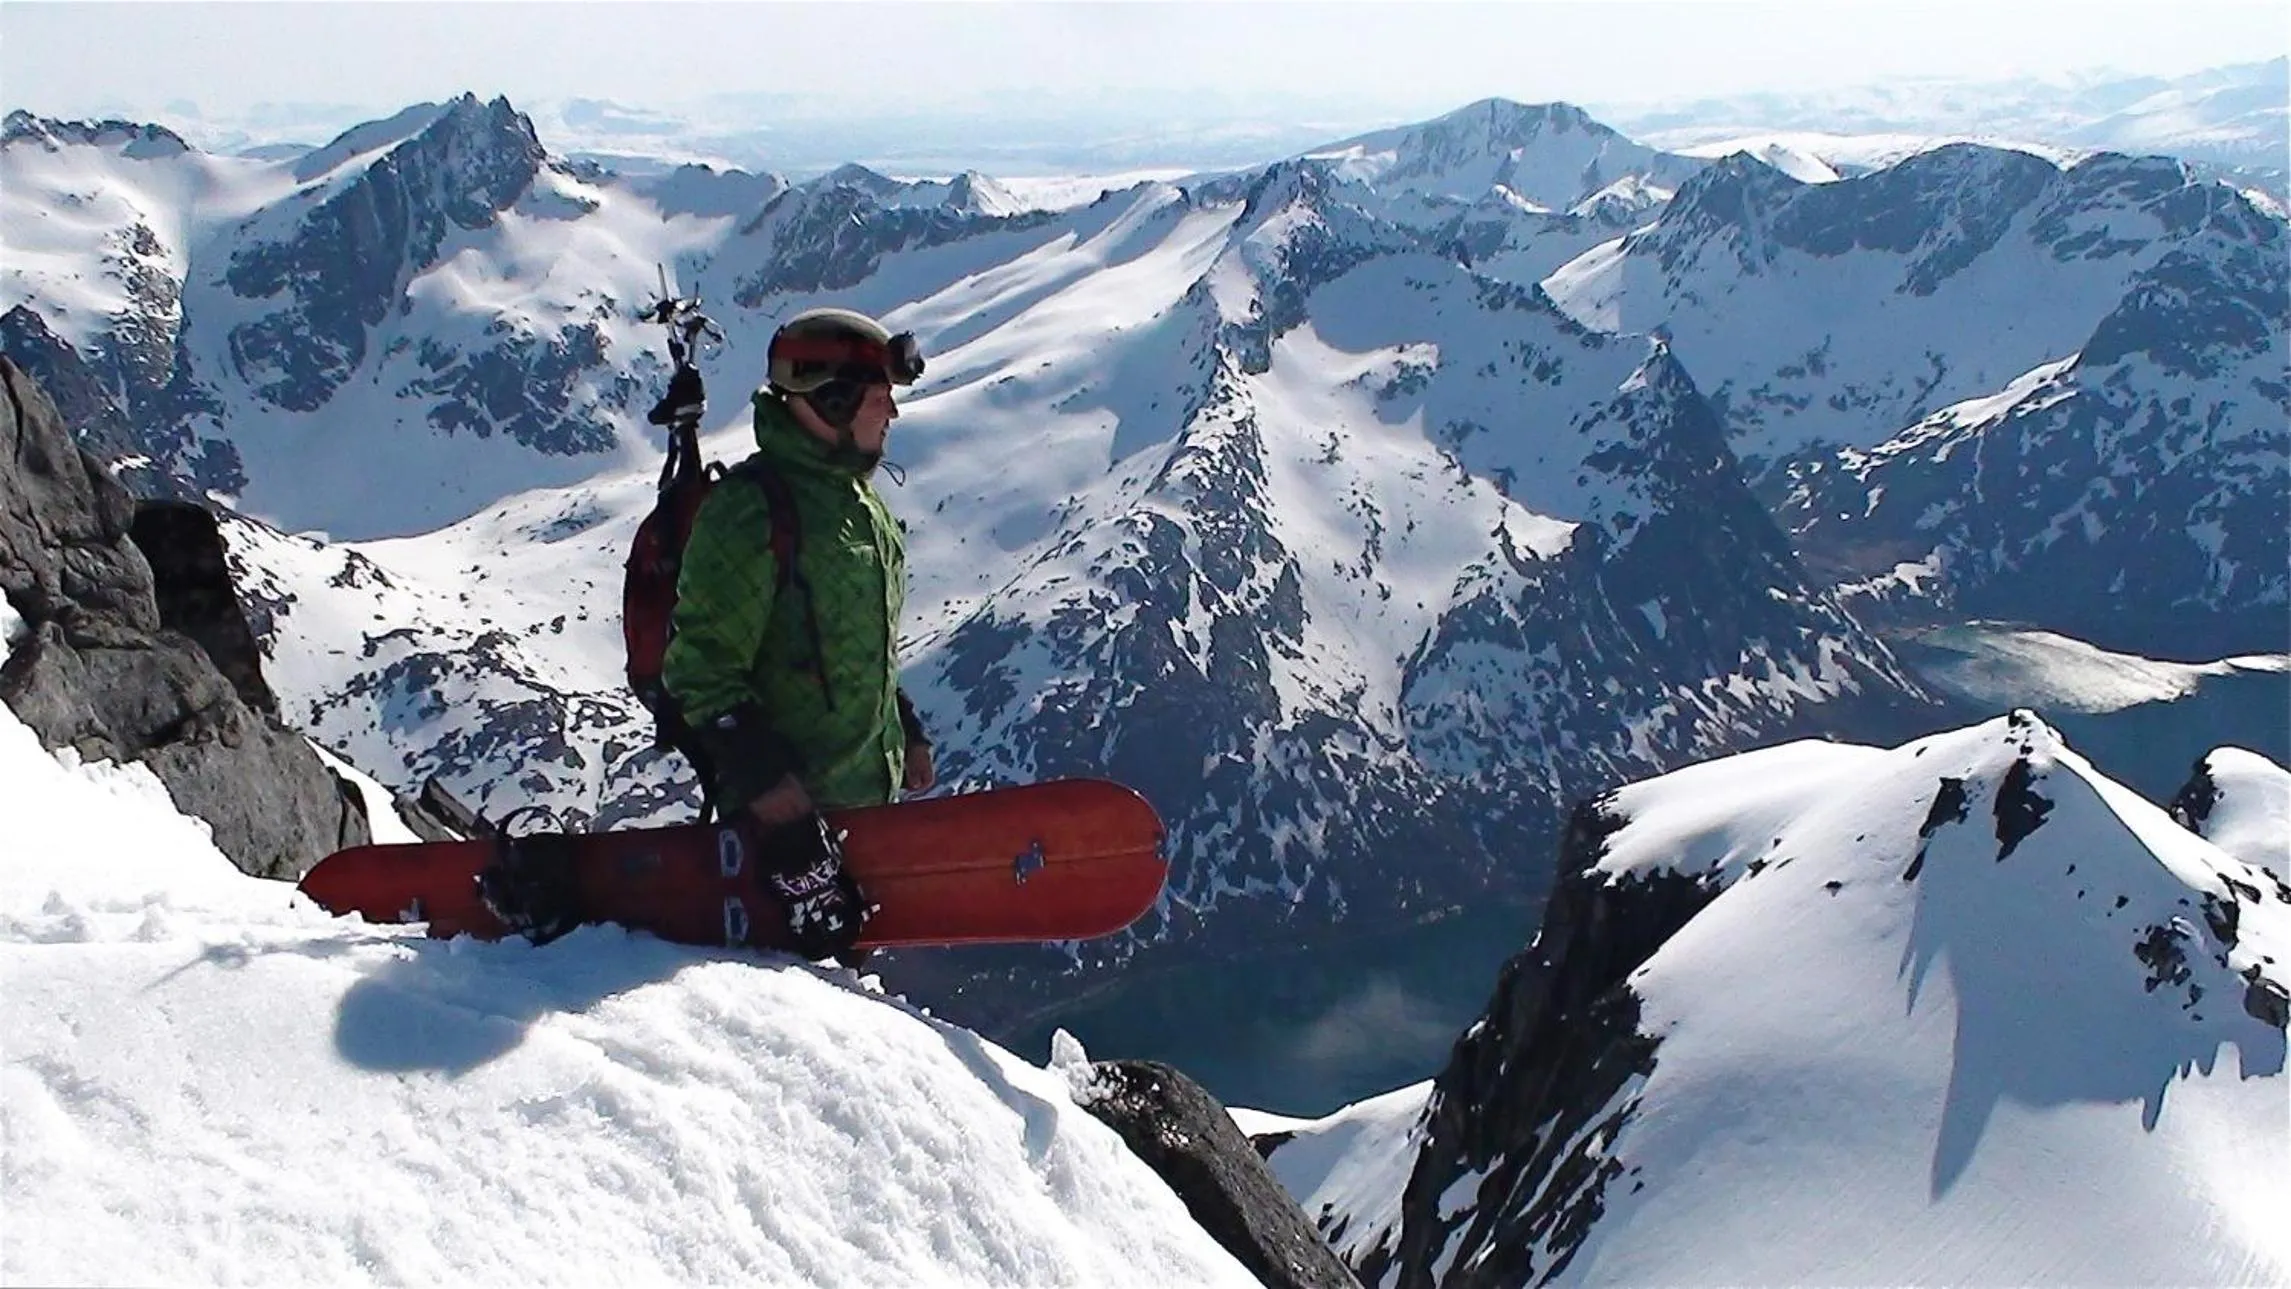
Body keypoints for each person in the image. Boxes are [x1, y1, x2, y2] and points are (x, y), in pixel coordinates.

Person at [661, 307, 935, 959]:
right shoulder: (750, 511)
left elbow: (852, 640)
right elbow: (700, 673)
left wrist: (904, 727)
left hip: (861, 815)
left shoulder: (857, 504)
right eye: (880, 399)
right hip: (782, 840)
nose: (892, 415)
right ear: (833, 401)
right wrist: (777, 805)